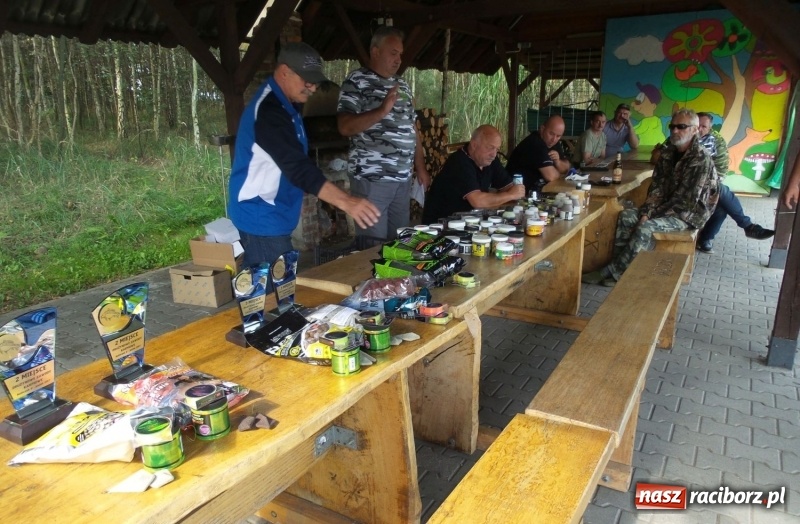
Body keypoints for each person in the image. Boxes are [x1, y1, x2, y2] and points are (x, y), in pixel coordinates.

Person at [228, 43, 380, 271]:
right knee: (271, 297)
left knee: (279, 293)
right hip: (261, 217)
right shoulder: (269, 112)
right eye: (306, 79)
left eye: (315, 80)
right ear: (284, 72)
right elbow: (298, 167)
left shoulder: (290, 104)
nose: (313, 87)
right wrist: (347, 201)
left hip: (276, 215)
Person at [583, 109, 718, 287]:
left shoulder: (700, 159)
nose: (675, 131)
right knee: (626, 216)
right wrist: (646, 211)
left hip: (688, 214)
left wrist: (650, 216)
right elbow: (657, 187)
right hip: (664, 208)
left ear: (694, 130)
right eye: (672, 126)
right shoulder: (668, 153)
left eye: (681, 127)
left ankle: (613, 272)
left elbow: (685, 201)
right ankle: (621, 267)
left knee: (645, 227)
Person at [337, 27, 431, 240]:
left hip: (402, 180)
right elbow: (344, 126)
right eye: (393, 53)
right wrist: (381, 111)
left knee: (400, 243)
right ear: (375, 51)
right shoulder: (356, 81)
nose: (398, 59)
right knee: (372, 247)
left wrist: (421, 167)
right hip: (372, 179)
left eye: (400, 54)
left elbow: (413, 129)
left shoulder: (403, 86)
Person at [694, 112, 773, 253]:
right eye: (697, 125)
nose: (699, 129)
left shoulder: (716, 140)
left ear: (710, 128)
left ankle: (705, 239)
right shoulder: (682, 135)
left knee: (721, 204)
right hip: (687, 185)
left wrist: (709, 185)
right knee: (721, 192)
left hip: (707, 184)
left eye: (703, 126)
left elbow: (722, 168)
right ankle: (748, 227)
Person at [421, 125, 525, 223]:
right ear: (474, 145)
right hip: (441, 226)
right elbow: (478, 201)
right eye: (490, 147)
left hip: (468, 221)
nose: (494, 154)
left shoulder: (490, 160)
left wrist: (511, 194)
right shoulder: (459, 162)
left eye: (497, 149)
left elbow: (511, 188)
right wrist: (509, 195)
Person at [505, 115, 569, 195]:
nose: (554, 139)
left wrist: (558, 162)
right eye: (551, 134)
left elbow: (567, 167)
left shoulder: (553, 143)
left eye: (558, 136)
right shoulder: (535, 143)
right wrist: (561, 175)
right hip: (518, 194)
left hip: (534, 191)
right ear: (542, 129)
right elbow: (551, 176)